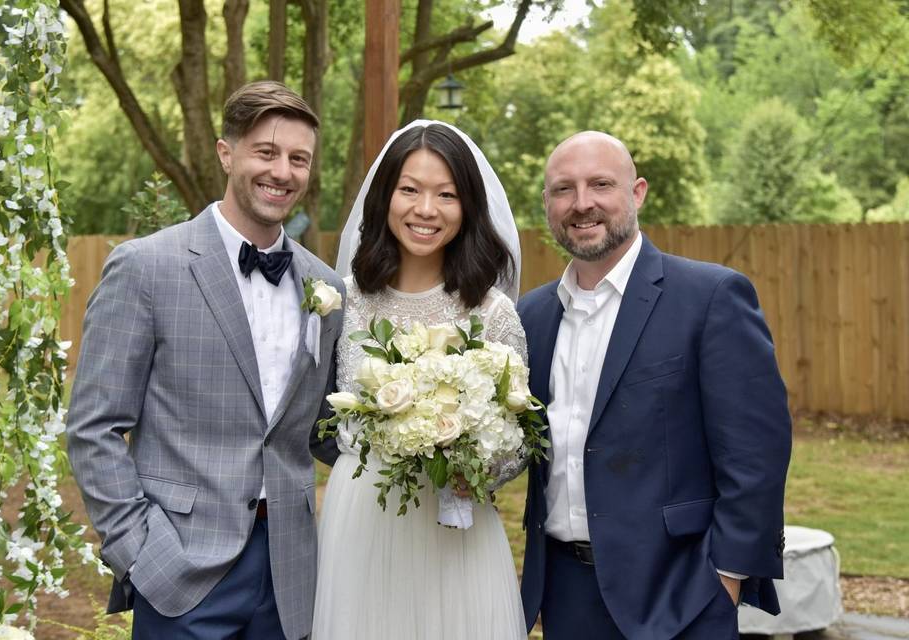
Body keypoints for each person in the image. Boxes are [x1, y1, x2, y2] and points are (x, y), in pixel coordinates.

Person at [66, 81, 344, 640]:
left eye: (298, 159)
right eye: (266, 152)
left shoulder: (326, 286)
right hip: (179, 573)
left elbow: (321, 431)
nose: (282, 172)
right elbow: (94, 426)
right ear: (227, 152)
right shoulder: (146, 268)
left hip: (291, 576)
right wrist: (137, 551)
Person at [517, 131, 792, 639]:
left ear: (637, 192)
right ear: (547, 203)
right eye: (563, 189)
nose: (582, 204)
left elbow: (757, 454)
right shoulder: (530, 317)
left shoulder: (710, 298)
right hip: (564, 592)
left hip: (681, 593)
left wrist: (724, 579)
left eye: (601, 184)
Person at [311, 120, 528, 640]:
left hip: (455, 527)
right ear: (385, 197)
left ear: (468, 206)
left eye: (446, 194)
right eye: (409, 190)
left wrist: (468, 465)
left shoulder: (492, 313)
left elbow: (519, 437)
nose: (426, 210)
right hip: (361, 518)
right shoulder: (345, 300)